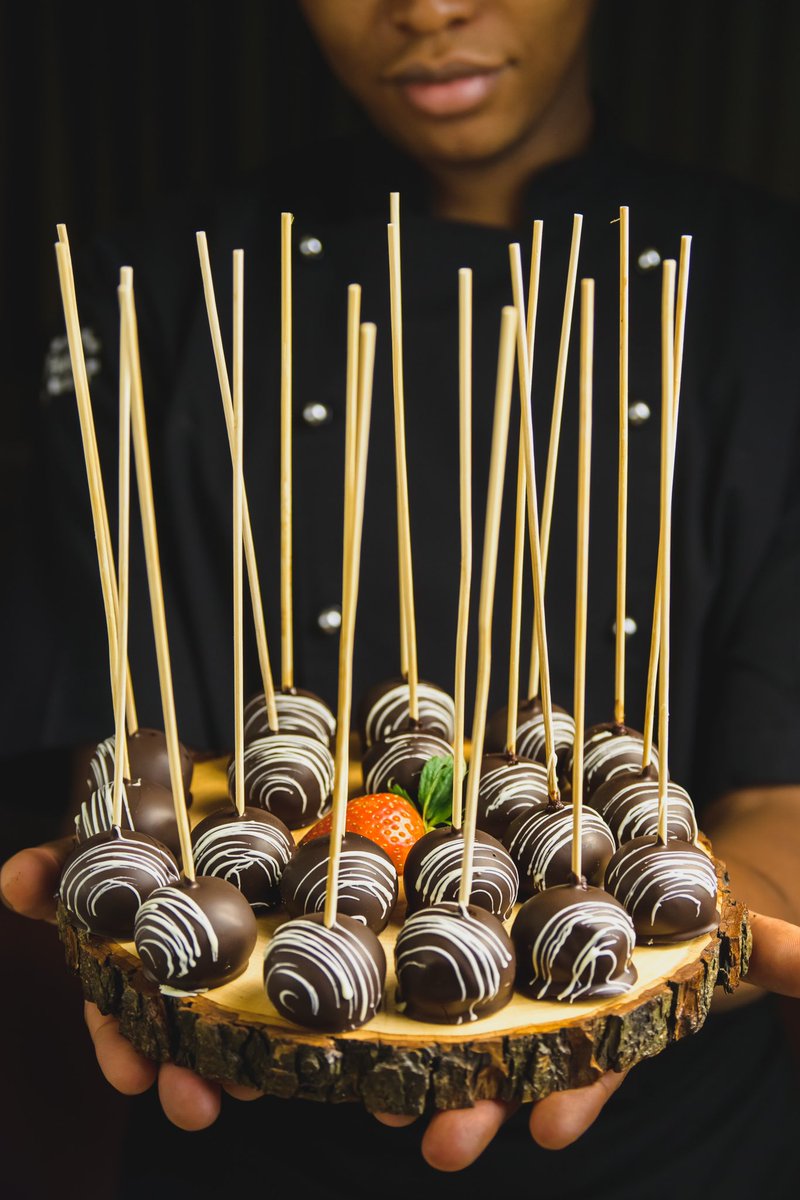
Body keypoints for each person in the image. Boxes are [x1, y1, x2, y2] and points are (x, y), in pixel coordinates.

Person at [2, 1, 800, 1195]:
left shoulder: (763, 290)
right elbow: (128, 748)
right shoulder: (153, 291)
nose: (428, 6)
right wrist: (150, 908)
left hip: (670, 1156)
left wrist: (618, 950)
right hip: (246, 1143)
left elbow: (781, 798)